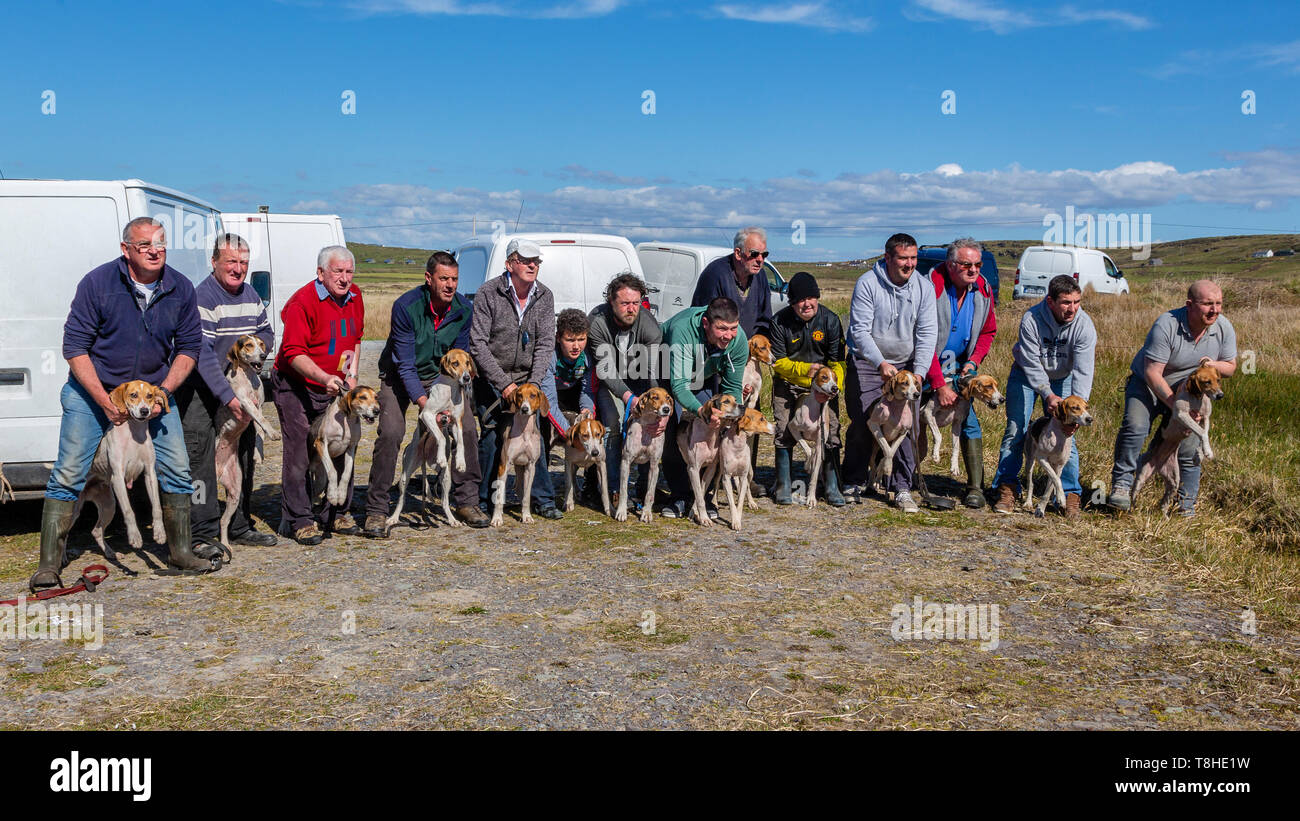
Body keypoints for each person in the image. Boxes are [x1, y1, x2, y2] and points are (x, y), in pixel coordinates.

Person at [30, 217, 214, 589]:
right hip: (92, 391)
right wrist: (104, 401)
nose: (154, 250)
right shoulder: (98, 283)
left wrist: (163, 392)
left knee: (177, 467)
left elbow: (189, 348)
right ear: (125, 249)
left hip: (152, 393)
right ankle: (49, 565)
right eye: (144, 244)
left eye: (160, 244)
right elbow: (75, 348)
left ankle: (179, 551)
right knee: (69, 472)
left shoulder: (180, 287)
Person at [363, 251, 488, 536]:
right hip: (399, 374)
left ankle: (467, 500)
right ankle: (377, 509)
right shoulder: (405, 307)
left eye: (455, 279)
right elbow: (405, 365)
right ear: (429, 279)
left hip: (441, 374)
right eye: (444, 279)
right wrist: (425, 404)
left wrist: (452, 401)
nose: (450, 285)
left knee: (467, 426)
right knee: (392, 431)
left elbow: (458, 355)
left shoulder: (463, 309)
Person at [180, 233, 278, 555]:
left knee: (244, 454)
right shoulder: (204, 297)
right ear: (214, 262)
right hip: (203, 389)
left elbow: (266, 332)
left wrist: (256, 345)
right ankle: (202, 534)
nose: (238, 269)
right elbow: (204, 355)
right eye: (232, 262)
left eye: (244, 263)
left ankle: (238, 525)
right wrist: (229, 397)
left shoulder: (249, 293)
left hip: (237, 384)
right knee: (201, 461)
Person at [1108, 280, 1236, 517]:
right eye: (1208, 304)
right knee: (1135, 427)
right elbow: (1151, 372)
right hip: (1148, 385)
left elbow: (1230, 367)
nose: (1215, 310)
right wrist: (1177, 407)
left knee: (1188, 447)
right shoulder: (1167, 324)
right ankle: (1122, 486)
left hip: (1189, 391)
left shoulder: (1223, 327)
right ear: (1189, 305)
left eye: (1218, 304)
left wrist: (1212, 364)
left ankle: (1185, 507)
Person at [271, 245, 365, 545]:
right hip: (296, 384)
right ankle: (300, 518)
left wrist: (350, 373)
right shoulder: (303, 302)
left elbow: (356, 339)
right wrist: (323, 377)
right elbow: (293, 353)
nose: (345, 278)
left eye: (349, 271)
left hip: (335, 383)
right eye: (338, 271)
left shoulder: (356, 297)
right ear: (321, 272)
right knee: (300, 448)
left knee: (343, 439)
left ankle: (336, 512)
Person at [842, 232, 938, 513]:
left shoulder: (923, 287)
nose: (909, 264)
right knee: (864, 419)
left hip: (906, 366)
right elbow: (859, 330)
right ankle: (853, 481)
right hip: (868, 362)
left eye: (913, 258)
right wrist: (879, 362)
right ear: (888, 258)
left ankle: (901, 488)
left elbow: (927, 332)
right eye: (903, 258)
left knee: (907, 426)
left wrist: (919, 372)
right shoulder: (868, 284)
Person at [469, 238, 563, 520]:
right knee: (490, 436)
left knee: (536, 434)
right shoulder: (488, 293)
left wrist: (532, 384)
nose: (533, 265)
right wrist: (503, 384)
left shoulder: (544, 296)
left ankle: (541, 498)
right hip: (492, 377)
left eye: (537, 261)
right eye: (526, 260)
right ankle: (485, 501)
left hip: (527, 378)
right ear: (510, 264)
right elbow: (478, 344)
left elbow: (546, 343)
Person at [991, 274, 1096, 518]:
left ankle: (1070, 494)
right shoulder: (1031, 319)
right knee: (1016, 431)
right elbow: (1030, 361)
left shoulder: (1084, 326)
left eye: (1077, 302)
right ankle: (1007, 487)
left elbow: (1083, 370)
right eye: (1066, 303)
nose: (1072, 309)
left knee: (1067, 436)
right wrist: (1047, 393)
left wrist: (1075, 412)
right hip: (1026, 375)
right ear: (1050, 301)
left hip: (1064, 376)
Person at [691, 226, 775, 498]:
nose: (760, 259)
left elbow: (764, 320)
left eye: (764, 254)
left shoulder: (759, 278)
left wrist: (751, 357)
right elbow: (703, 321)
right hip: (715, 359)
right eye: (754, 254)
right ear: (738, 253)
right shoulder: (715, 275)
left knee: (750, 418)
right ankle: (708, 483)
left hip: (746, 359)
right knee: (717, 420)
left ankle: (745, 477)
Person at [658, 296, 748, 519]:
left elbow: (733, 387)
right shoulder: (683, 331)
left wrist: (729, 416)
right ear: (706, 323)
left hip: (704, 373)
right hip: (667, 373)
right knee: (672, 428)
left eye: (733, 328)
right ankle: (679, 494)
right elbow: (679, 387)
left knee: (715, 432)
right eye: (722, 329)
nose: (729, 335)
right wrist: (703, 412)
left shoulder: (739, 341)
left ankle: (705, 496)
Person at [925, 238, 998, 508]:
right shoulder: (931, 287)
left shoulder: (983, 290)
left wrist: (974, 361)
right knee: (912, 419)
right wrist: (937, 384)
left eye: (978, 264)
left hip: (960, 367)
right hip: (926, 364)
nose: (974, 270)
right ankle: (901, 478)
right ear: (950, 264)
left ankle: (975, 488)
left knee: (968, 421)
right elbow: (923, 339)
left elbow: (988, 331)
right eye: (966, 264)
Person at [768, 271, 847, 507]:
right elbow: (778, 362)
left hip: (824, 384)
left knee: (831, 429)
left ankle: (831, 484)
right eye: (800, 300)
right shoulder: (779, 321)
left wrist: (835, 387)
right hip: (789, 381)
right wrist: (805, 371)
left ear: (817, 297)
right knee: (783, 427)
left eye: (811, 297)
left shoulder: (830, 320)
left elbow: (838, 363)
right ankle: (784, 484)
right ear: (792, 302)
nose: (806, 304)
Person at [587, 273, 662, 513]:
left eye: (636, 303)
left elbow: (653, 372)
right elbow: (605, 369)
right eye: (625, 303)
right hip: (608, 381)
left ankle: (643, 486)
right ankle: (611, 489)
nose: (631, 309)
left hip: (640, 382)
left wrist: (652, 406)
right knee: (612, 422)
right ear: (611, 301)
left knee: (652, 424)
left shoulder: (650, 327)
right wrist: (628, 398)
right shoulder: (597, 322)